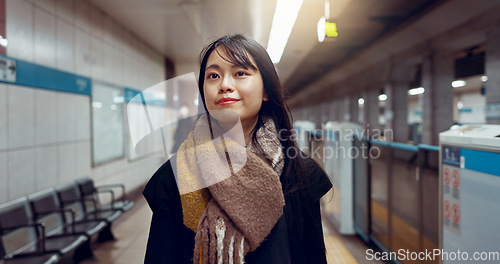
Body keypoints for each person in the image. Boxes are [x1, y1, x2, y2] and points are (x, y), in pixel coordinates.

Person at [143, 34, 332, 264]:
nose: (224, 85)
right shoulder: (175, 175)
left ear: (266, 91)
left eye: (240, 73)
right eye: (213, 76)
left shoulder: (299, 172)